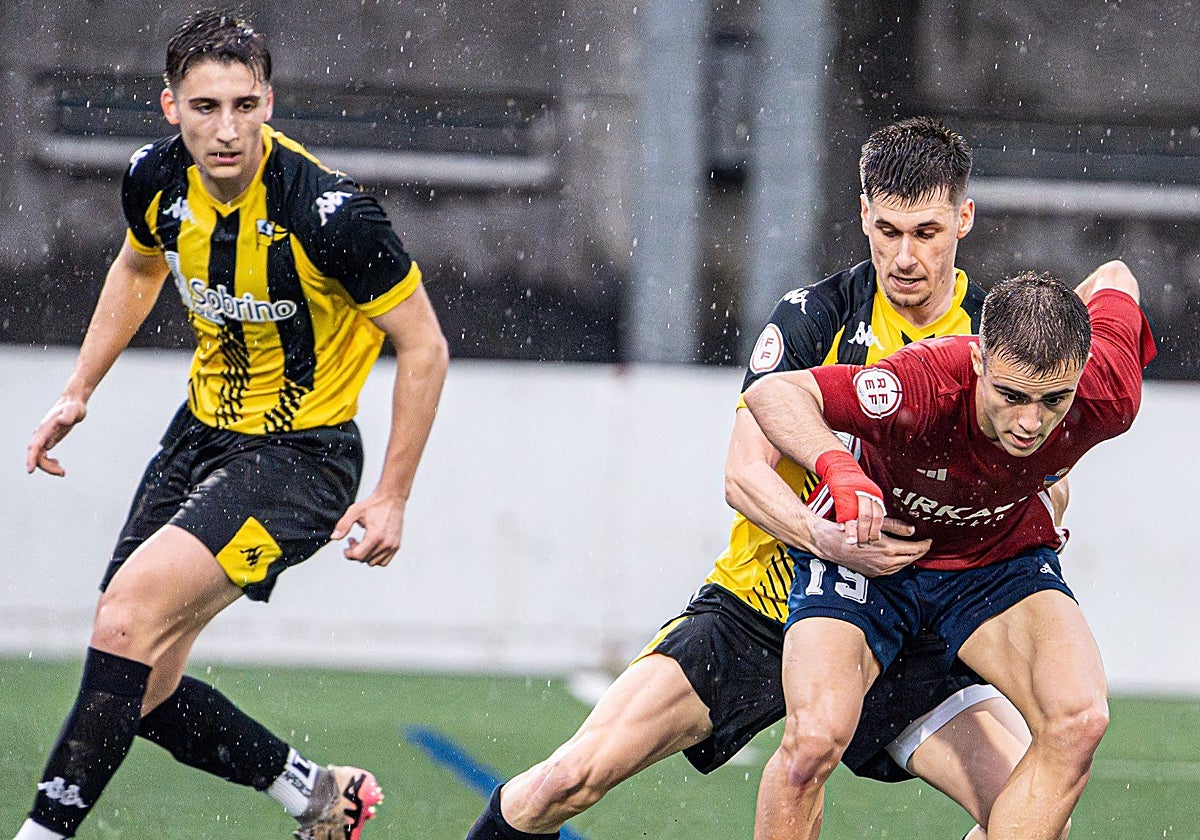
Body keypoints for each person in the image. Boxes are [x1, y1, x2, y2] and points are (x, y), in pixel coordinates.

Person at [465, 118, 1051, 840]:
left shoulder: (998, 337)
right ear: (863, 214)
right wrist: (827, 539)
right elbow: (744, 476)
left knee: (1030, 812)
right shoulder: (816, 316)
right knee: (568, 779)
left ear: (963, 218)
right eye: (888, 229)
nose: (905, 256)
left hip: (903, 624)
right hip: (764, 607)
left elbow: (1039, 462)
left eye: (926, 232)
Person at [18, 10, 448, 840]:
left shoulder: (331, 214)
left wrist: (392, 496)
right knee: (136, 682)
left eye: (244, 106)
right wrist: (79, 389)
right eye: (206, 107)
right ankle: (316, 794)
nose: (227, 130)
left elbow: (424, 347)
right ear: (170, 107)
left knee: (122, 625)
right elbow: (140, 264)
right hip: (199, 438)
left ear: (269, 104)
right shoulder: (153, 178)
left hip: (301, 464)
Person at [744, 261, 1155, 840]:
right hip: (873, 558)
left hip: (996, 559)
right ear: (980, 359)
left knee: (1080, 718)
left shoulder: (1108, 388)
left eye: (1053, 400)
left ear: (1082, 370)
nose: (1030, 423)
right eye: (1011, 395)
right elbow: (776, 393)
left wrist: (1065, 305)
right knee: (813, 743)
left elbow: (1116, 273)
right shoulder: (924, 382)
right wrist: (837, 467)